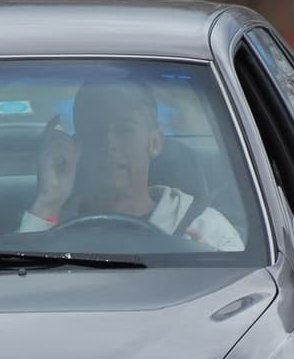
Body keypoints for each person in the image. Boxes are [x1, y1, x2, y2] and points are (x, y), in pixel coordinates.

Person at [21, 79, 244, 251]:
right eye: (95, 130)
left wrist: (209, 266)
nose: (109, 144)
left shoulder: (205, 227)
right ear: (78, 147)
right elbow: (19, 290)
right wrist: (48, 201)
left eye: (125, 130)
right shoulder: (52, 228)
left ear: (154, 143)